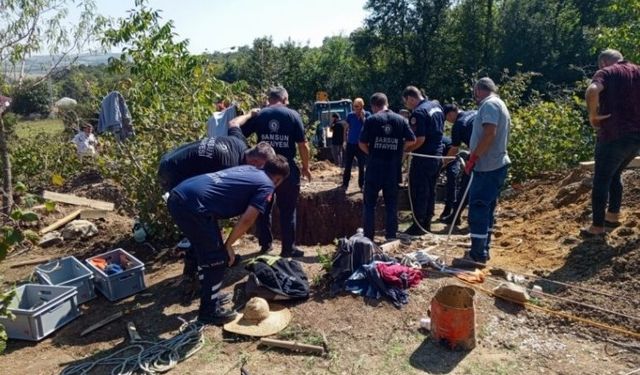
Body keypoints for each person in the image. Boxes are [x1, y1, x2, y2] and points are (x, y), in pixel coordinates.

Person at [168, 157, 290, 325]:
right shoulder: (267, 185)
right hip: (193, 207)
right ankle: (209, 312)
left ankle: (211, 296)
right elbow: (247, 220)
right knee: (217, 259)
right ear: (278, 179)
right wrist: (228, 245)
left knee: (207, 254)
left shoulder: (250, 170)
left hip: (180, 196)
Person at [240, 86, 312, 257]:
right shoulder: (293, 115)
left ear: (269, 99)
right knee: (288, 209)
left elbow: (239, 133)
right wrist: (305, 167)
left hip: (262, 169)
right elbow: (303, 145)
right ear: (285, 99)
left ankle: (265, 245)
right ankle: (288, 249)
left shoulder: (261, 115)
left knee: (262, 206)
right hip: (286, 169)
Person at [582, 49, 640, 237]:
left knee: (601, 179)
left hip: (613, 135)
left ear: (604, 62)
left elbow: (592, 91)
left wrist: (593, 116)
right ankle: (613, 216)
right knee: (615, 174)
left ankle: (597, 226)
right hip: (635, 137)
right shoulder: (637, 71)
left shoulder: (606, 72)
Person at [461, 77, 511, 266]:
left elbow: (490, 133)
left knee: (478, 208)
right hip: (493, 164)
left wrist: (473, 158)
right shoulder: (499, 103)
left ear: (480, 90)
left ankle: (477, 254)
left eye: (475, 92)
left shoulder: (489, 105)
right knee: (487, 208)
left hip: (487, 166)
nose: (475, 97)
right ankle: (483, 249)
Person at [157, 117, 274, 192]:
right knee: (185, 202)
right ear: (255, 162)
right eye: (261, 167)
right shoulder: (231, 166)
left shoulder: (239, 142)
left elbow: (234, 123)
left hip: (169, 156)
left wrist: (250, 113)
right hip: (171, 172)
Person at [359, 93, 416, 241]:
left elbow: (361, 143)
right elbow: (412, 140)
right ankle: (391, 236)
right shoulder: (400, 120)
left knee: (369, 204)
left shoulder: (371, 120)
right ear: (387, 103)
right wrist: (399, 150)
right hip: (392, 168)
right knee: (391, 204)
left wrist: (372, 153)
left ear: (373, 106)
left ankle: (368, 238)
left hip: (374, 168)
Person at [402, 86, 445, 235]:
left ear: (411, 98)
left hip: (424, 158)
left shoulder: (419, 113)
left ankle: (418, 225)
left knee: (419, 191)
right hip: (437, 156)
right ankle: (427, 223)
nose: (408, 106)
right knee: (430, 191)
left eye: (407, 103)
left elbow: (420, 139)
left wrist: (405, 150)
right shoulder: (436, 106)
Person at [440, 103, 478, 224]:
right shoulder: (473, 112)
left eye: (447, 119)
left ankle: (455, 217)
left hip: (478, 155)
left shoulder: (458, 125)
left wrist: (443, 163)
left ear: (451, 114)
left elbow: (454, 150)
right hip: (489, 150)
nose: (448, 122)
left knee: (465, 184)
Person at [343, 98, 370, 190]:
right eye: (354, 106)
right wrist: (345, 141)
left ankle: (361, 185)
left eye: (356, 106)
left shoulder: (367, 115)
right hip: (351, 144)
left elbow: (369, 127)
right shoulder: (350, 115)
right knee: (348, 165)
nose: (354, 108)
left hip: (361, 145)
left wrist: (363, 118)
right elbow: (346, 128)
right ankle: (345, 184)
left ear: (362, 106)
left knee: (361, 166)